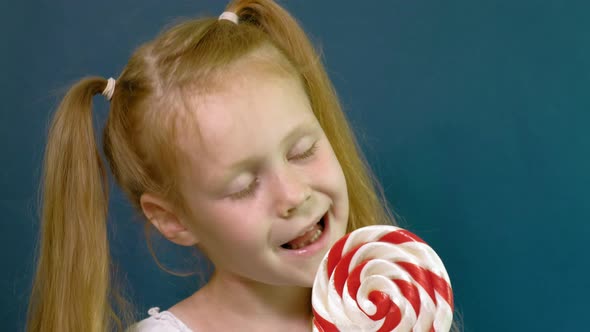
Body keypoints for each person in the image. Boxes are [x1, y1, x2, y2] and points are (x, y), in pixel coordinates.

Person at [27, 0, 458, 331]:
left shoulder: (392, 303)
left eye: (302, 150)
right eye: (242, 186)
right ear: (174, 219)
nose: (294, 195)